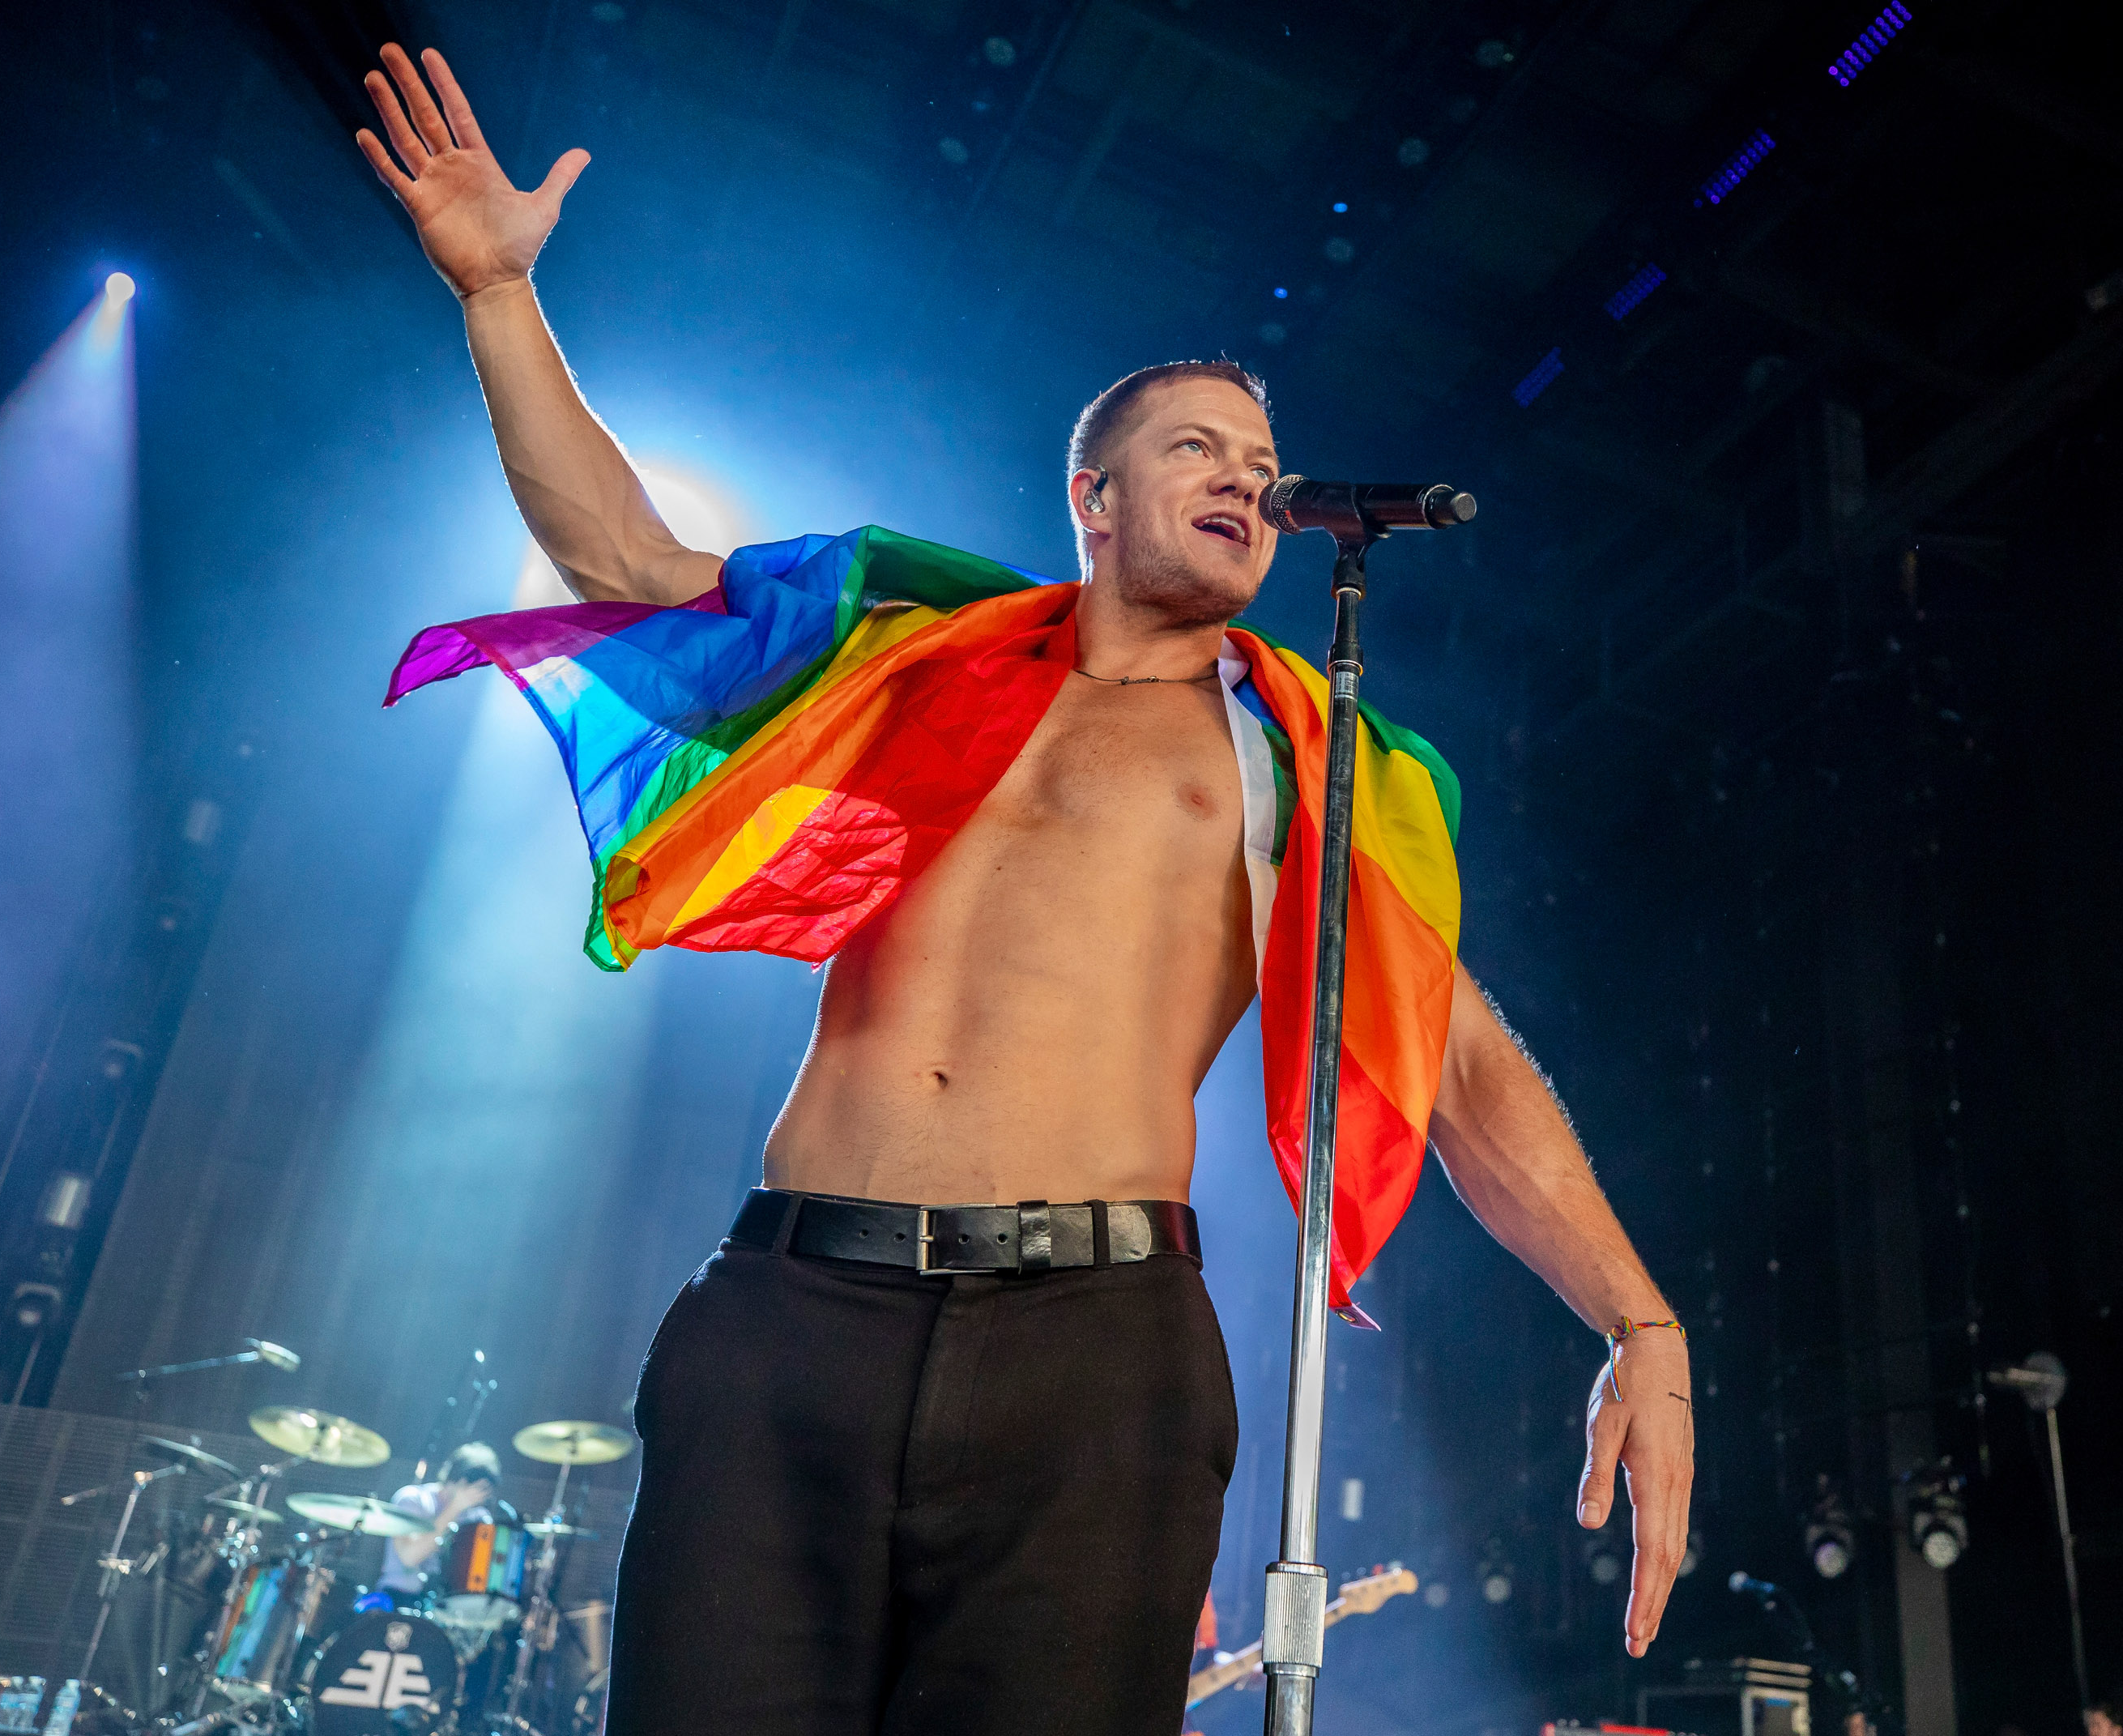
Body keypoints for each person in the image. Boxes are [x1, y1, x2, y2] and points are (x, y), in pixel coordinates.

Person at [353, 41, 1695, 1736]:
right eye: (1199, 446)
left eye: (1263, 460)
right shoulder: (911, 654)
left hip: (1094, 1346)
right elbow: (623, 556)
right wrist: (497, 297)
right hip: (794, 1309)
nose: (1248, 477)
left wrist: (1639, 1317)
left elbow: (1461, 1062)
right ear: (1094, 499)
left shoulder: (1290, 753)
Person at [375, 1440, 501, 1600]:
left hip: (446, 1604)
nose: (480, 1499)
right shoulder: (412, 1499)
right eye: (478, 1490)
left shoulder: (477, 1517)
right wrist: (454, 1509)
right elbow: (409, 1557)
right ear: (459, 1481)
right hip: (398, 1596)